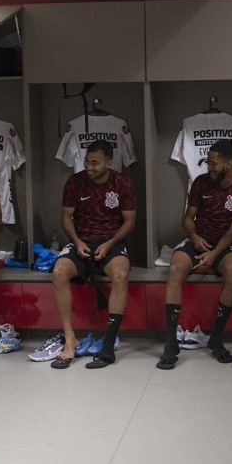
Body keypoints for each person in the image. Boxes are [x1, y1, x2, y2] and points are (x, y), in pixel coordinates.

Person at [157, 139, 232, 370]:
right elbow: (187, 218)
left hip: (224, 245)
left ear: (229, 163)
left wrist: (214, 254)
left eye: (213, 163)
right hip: (198, 240)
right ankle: (171, 343)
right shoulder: (201, 183)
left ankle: (217, 338)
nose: (209, 168)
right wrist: (194, 237)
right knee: (175, 269)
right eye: (208, 163)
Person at [50, 140, 136, 370]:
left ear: (108, 162)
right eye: (87, 161)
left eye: (95, 163)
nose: (89, 166)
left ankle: (108, 344)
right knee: (58, 271)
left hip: (112, 241)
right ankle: (70, 340)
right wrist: (77, 242)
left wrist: (109, 244)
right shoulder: (75, 182)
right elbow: (66, 217)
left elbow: (129, 221)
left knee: (120, 274)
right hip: (82, 241)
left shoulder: (122, 183)